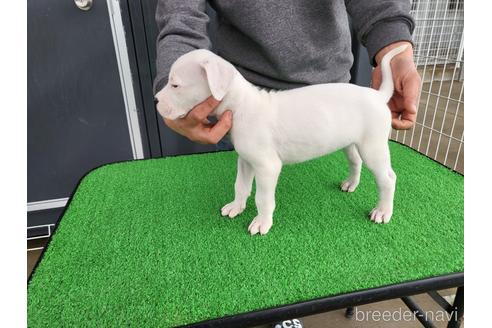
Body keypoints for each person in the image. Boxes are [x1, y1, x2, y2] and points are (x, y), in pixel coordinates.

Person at [154, 1, 421, 145]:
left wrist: (394, 51)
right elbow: (180, 19)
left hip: (331, 100)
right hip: (239, 111)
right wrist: (177, 91)